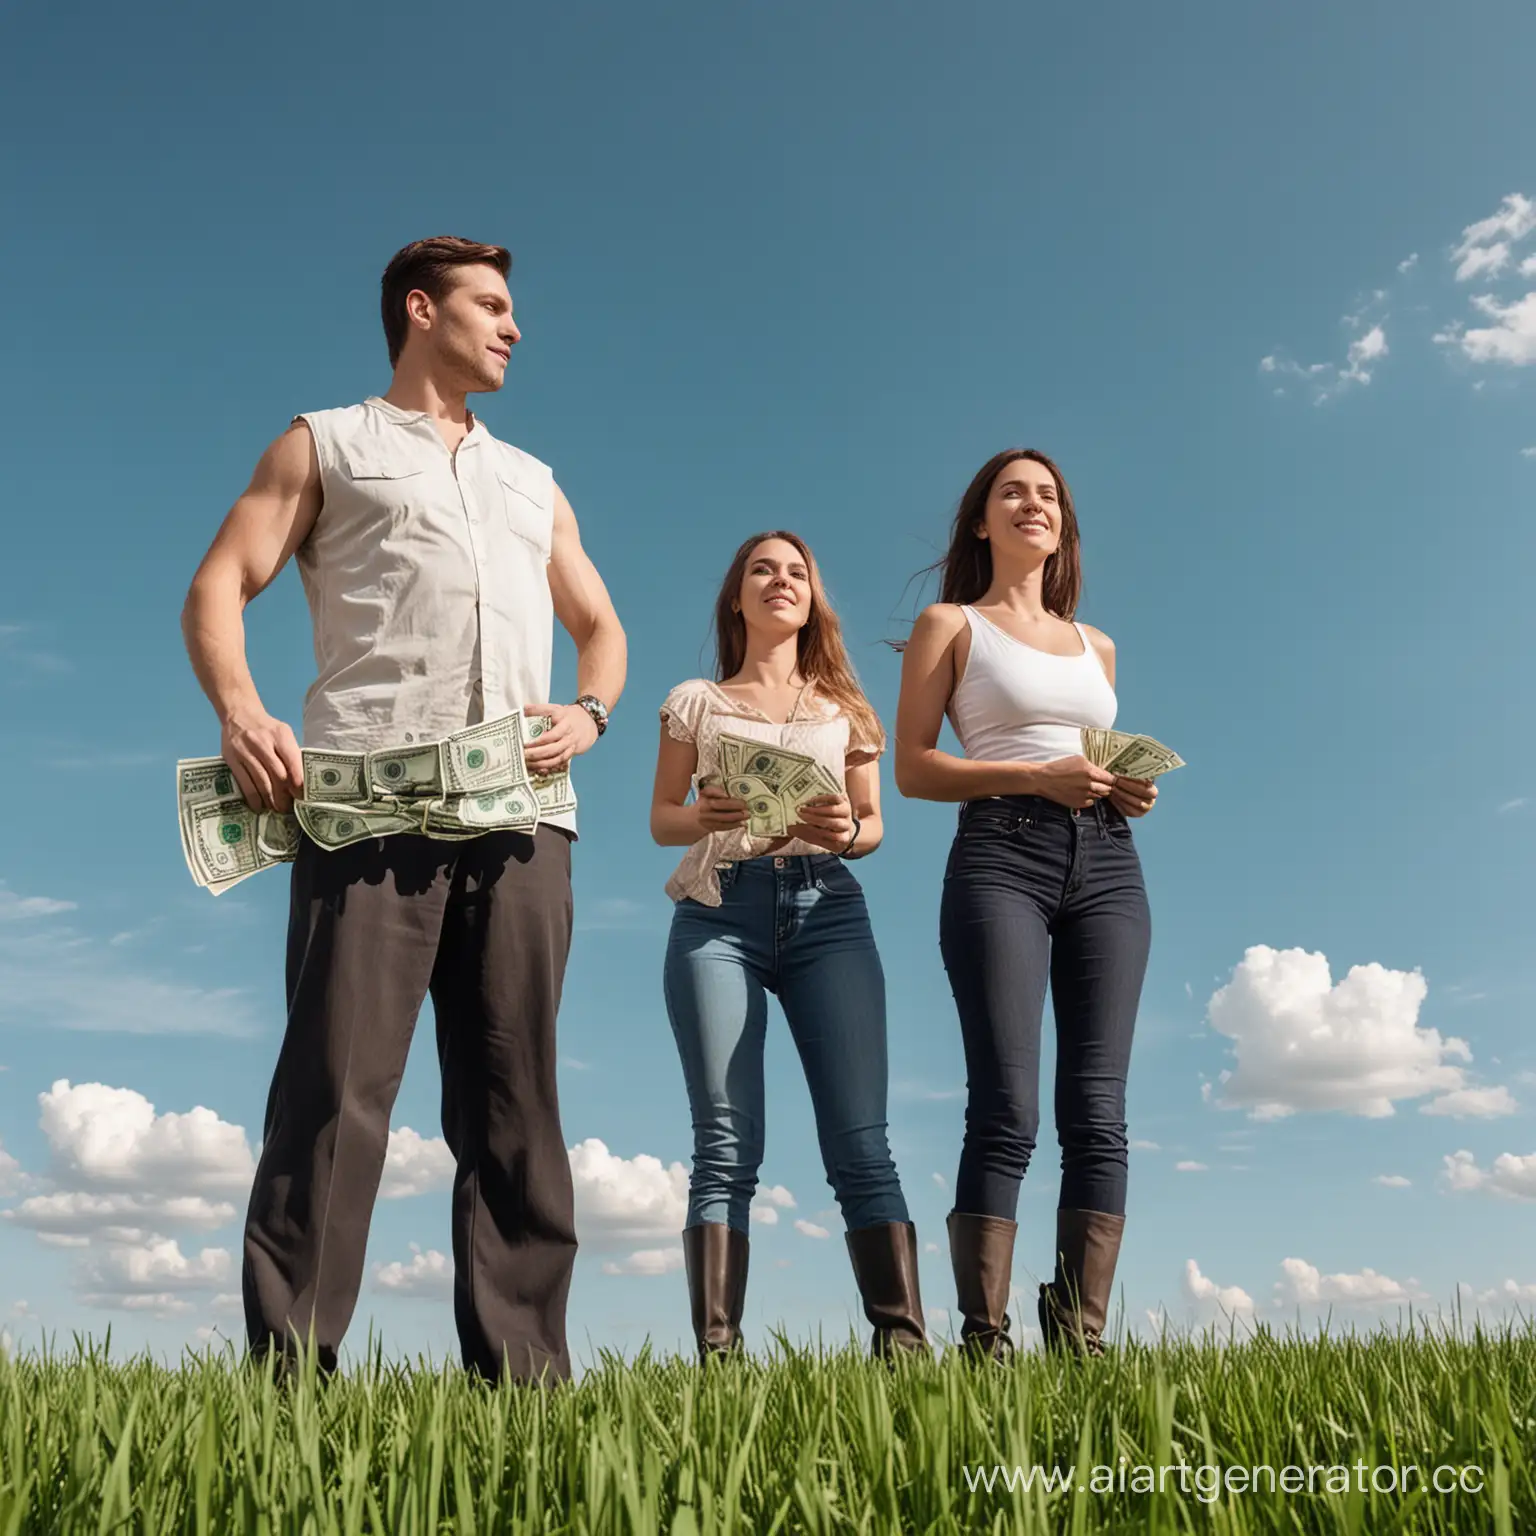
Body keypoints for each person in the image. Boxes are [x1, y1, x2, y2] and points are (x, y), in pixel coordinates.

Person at [180, 236, 626, 1383]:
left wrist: (592, 711)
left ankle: (527, 1388)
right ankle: (288, 1384)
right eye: (491, 305)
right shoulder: (325, 442)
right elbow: (220, 581)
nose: (513, 327)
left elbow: (603, 626)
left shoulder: (534, 480)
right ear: (420, 312)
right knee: (334, 1096)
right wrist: (241, 709)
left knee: (515, 1106)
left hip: (524, 820)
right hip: (364, 816)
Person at [893, 449, 1157, 1359]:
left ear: (1062, 525)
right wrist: (1034, 776)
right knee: (1007, 1105)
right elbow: (915, 769)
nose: (1032, 504)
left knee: (1100, 1108)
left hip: (1110, 862)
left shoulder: (1100, 645)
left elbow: (1093, 758)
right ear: (982, 520)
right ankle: (985, 1339)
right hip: (1002, 853)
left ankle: (1079, 1334)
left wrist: (1125, 788)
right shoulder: (950, 624)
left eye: (1048, 495)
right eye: (1014, 492)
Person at [649, 532, 927, 1362]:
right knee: (725, 1144)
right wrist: (705, 815)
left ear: (813, 599)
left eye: (796, 572)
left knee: (861, 1139)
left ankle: (906, 1353)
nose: (780, 581)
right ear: (737, 597)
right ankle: (721, 1363)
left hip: (827, 911)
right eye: (762, 570)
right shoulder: (696, 700)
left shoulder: (846, 708)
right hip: (716, 914)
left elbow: (873, 825)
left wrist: (848, 828)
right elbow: (662, 817)